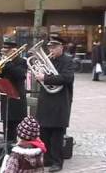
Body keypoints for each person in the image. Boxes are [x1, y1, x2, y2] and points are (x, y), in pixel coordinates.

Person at [34, 36, 75, 172]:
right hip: (46, 100)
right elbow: (42, 80)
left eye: (54, 47)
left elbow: (67, 78)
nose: (51, 50)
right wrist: (38, 75)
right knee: (44, 131)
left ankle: (57, 162)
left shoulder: (68, 61)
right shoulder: (48, 60)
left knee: (57, 134)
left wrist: (45, 78)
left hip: (60, 101)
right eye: (50, 47)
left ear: (61, 47)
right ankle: (47, 159)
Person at [0, 41, 27, 143]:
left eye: (6, 51)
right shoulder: (3, 62)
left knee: (17, 125)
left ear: (14, 51)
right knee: (6, 125)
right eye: (3, 50)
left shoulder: (22, 61)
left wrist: (8, 63)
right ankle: (7, 146)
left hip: (17, 98)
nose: (4, 53)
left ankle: (17, 147)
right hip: (6, 97)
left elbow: (21, 75)